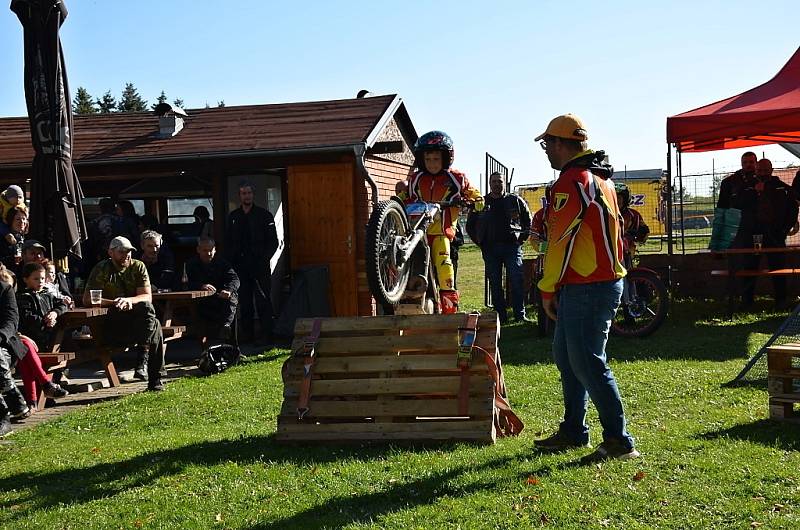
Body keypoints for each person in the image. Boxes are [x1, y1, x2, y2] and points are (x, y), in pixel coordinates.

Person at [532, 113, 638, 463]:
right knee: (568, 358)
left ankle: (619, 441)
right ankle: (574, 430)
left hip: (589, 286)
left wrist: (547, 288)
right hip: (597, 283)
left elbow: (559, 242)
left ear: (562, 144)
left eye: (548, 143)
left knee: (589, 363)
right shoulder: (600, 179)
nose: (546, 150)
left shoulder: (571, 181)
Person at [400, 130, 482, 313]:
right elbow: (401, 197)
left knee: (444, 266)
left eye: (436, 159)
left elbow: (475, 195)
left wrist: (474, 202)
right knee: (411, 267)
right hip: (416, 232)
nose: (432, 164)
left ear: (446, 157)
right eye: (428, 159)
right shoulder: (415, 179)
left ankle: (450, 309)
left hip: (441, 233)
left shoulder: (456, 178)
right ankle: (414, 307)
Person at [83, 236, 165, 391]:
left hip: (136, 324)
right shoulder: (102, 268)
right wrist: (115, 302)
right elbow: (88, 299)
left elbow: (147, 296)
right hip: (112, 325)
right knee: (156, 328)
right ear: (111, 252)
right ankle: (155, 379)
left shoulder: (138, 266)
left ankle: (153, 373)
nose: (126, 255)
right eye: (122, 251)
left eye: (129, 252)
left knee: (149, 313)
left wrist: (128, 301)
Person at [737, 158, 799, 310]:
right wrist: (756, 193)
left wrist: (784, 230)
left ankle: (781, 301)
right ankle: (747, 302)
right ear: (755, 171)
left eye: (765, 170)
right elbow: (738, 206)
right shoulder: (747, 188)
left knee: (777, 268)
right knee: (750, 267)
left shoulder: (782, 188)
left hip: (775, 236)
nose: (762, 173)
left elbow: (792, 210)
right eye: (760, 171)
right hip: (754, 236)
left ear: (771, 170)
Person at [473, 171, 532, 323]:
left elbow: (527, 220)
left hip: (512, 247)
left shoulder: (515, 200)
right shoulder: (482, 203)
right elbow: (470, 225)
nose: (497, 184)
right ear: (489, 183)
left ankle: (520, 314)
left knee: (517, 280)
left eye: (500, 181)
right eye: (494, 181)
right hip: (490, 249)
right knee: (495, 283)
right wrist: (480, 242)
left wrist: (521, 240)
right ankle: (500, 316)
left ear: (504, 183)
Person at [225, 181, 279, 343]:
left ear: (253, 195)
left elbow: (273, 242)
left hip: (259, 266)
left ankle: (267, 335)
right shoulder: (234, 217)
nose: (246, 196)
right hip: (241, 267)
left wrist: (263, 259)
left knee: (263, 301)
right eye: (243, 193)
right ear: (240, 196)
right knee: (245, 302)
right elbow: (228, 241)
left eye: (248, 193)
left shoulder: (264, 215)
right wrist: (231, 261)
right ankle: (247, 335)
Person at [15, 262, 71, 410]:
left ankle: (34, 399)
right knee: (25, 357)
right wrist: (45, 322)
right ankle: (37, 395)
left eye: (42, 278)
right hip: (31, 339)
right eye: (36, 279)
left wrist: (54, 313)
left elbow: (63, 304)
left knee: (27, 357)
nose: (40, 282)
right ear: (26, 279)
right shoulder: (22, 297)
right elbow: (27, 317)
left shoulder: (48, 294)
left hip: (48, 340)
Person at [186, 237, 240, 342]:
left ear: (215, 249)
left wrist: (228, 290)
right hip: (201, 299)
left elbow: (234, 279)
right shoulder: (191, 264)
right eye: (205, 250)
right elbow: (184, 283)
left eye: (211, 250)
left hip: (220, 296)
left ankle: (226, 328)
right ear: (198, 250)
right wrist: (201, 286)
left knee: (232, 298)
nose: (209, 253)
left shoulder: (222, 263)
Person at [0, 268, 33, 436]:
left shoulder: (5, 290)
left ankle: (2, 418)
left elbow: (11, 322)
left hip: (5, 344)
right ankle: (14, 399)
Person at [615, 182, 650, 266]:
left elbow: (644, 232)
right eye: (615, 197)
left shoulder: (634, 215)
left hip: (627, 251)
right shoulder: (604, 213)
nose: (617, 200)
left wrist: (637, 235)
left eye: (619, 197)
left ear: (626, 199)